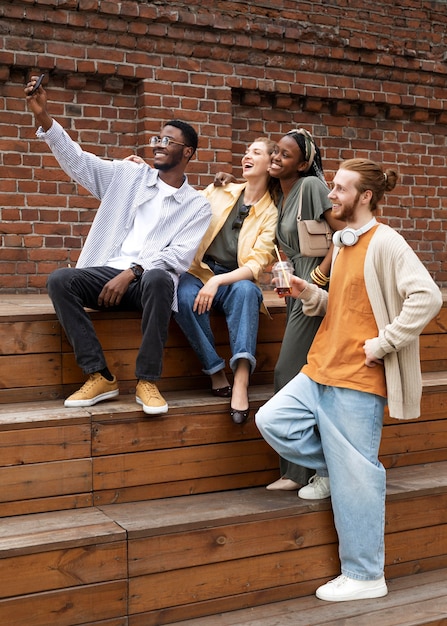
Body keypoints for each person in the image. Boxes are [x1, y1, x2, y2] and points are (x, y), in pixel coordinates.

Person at [255, 158, 442, 601]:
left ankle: (364, 576)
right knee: (272, 420)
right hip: (319, 365)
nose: (331, 195)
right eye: (333, 187)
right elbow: (338, 302)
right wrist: (307, 293)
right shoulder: (343, 242)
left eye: (339, 189)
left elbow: (427, 296)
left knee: (359, 477)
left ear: (365, 197)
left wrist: (384, 343)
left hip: (359, 375)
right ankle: (339, 472)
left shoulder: (387, 242)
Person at [25, 75, 211, 415]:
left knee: (159, 276)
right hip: (105, 275)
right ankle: (99, 375)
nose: (158, 144)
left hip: (146, 285)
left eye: (168, 141)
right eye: (157, 138)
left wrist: (131, 272)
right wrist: (44, 117)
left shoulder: (197, 204)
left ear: (188, 153)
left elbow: (178, 256)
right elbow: (79, 162)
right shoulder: (129, 176)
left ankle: (147, 381)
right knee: (60, 280)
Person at [175, 138, 279, 424]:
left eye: (255, 152)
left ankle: (242, 380)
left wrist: (218, 283)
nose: (247, 155)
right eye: (247, 151)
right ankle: (215, 370)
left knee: (247, 292)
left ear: (271, 164)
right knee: (181, 296)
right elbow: (184, 202)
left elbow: (256, 265)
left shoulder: (272, 212)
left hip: (234, 280)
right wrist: (145, 172)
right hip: (199, 272)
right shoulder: (221, 191)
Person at [265, 128, 345, 492]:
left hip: (317, 288)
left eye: (285, 154)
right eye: (275, 152)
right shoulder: (280, 193)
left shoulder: (311, 187)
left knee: (287, 372)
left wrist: (318, 274)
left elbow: (344, 233)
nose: (276, 158)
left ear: (303, 162)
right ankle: (308, 469)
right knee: (300, 371)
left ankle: (301, 470)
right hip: (297, 287)